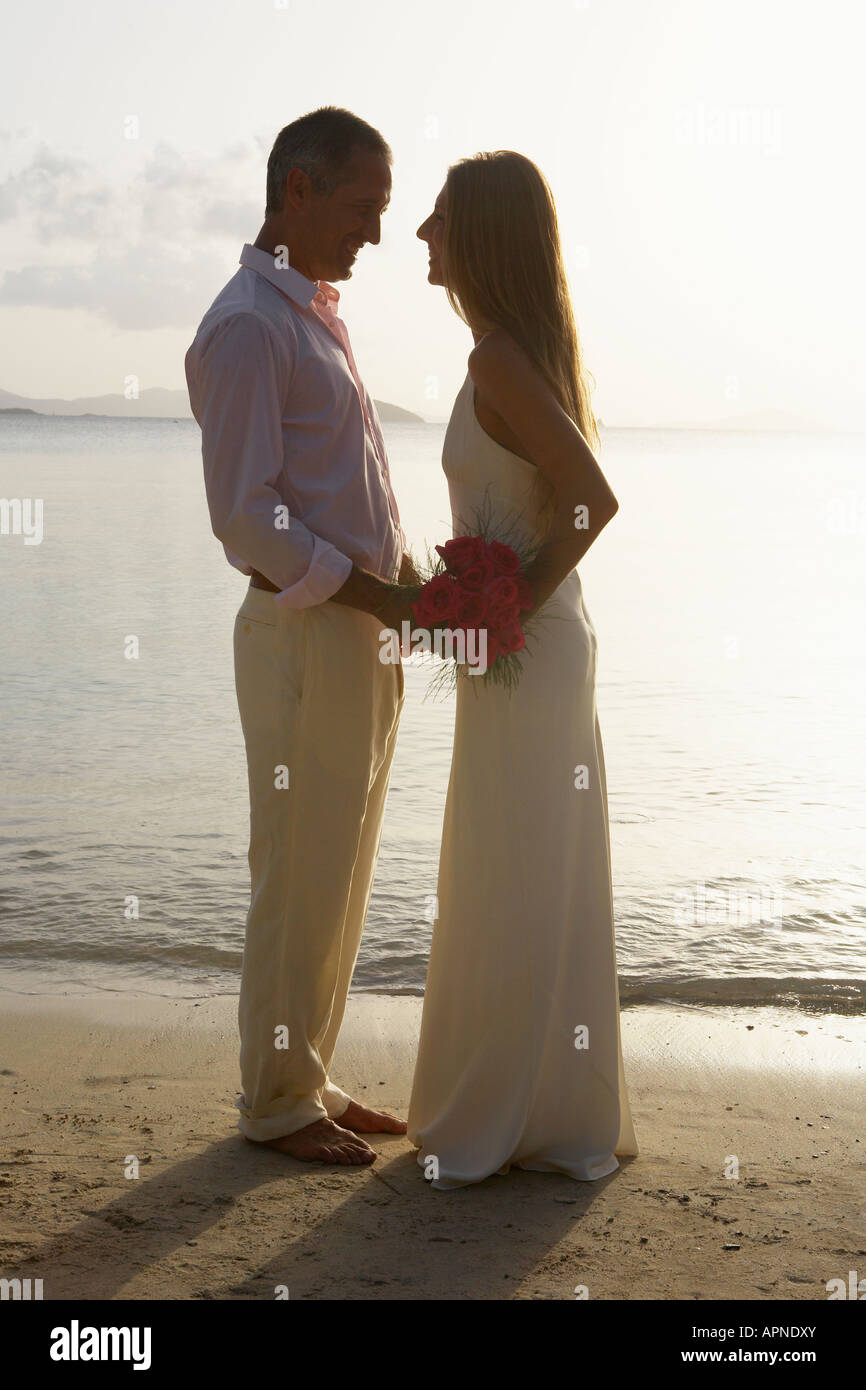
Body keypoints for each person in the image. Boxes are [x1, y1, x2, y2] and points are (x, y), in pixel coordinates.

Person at [185, 107, 418, 1166]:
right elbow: (246, 513)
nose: (374, 230)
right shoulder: (248, 325)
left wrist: (409, 578)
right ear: (298, 191)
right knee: (295, 867)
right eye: (364, 206)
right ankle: (274, 1101)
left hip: (357, 632)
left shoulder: (312, 312)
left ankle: (306, 1074)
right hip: (302, 636)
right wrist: (367, 592)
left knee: (343, 862)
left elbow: (336, 484)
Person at [405, 152, 639, 1189]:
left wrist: (505, 608)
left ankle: (510, 1117)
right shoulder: (506, 355)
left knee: (512, 872)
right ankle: (542, 1111)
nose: (420, 232)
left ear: (482, 238)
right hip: (526, 653)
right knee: (515, 870)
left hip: (529, 654)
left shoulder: (498, 360)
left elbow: (590, 497)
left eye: (440, 218)